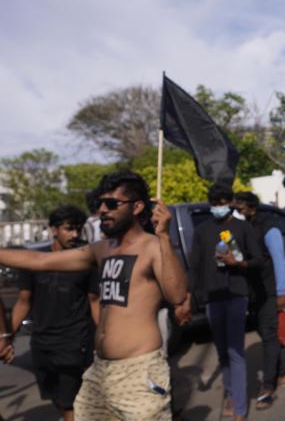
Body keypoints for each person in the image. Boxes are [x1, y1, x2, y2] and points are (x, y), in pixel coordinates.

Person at [0, 171, 188, 420]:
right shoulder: (102, 250)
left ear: (137, 207)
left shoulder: (152, 246)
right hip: (100, 371)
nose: (102, 210)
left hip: (139, 371)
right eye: (99, 203)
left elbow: (176, 295)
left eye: (111, 204)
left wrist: (164, 235)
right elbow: (39, 260)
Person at [8, 206, 100, 421]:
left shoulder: (86, 260)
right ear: (54, 230)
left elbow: (95, 302)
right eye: (69, 229)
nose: (75, 234)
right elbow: (24, 302)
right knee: (55, 397)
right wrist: (7, 337)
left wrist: (103, 340)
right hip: (42, 343)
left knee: (70, 402)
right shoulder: (34, 262)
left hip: (75, 342)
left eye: (78, 229)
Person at [186, 184, 263, 421]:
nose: (218, 207)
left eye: (222, 202)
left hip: (237, 295)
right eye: (214, 203)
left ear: (230, 203)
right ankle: (230, 393)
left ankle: (239, 408)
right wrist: (192, 297)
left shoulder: (243, 228)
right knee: (222, 352)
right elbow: (195, 266)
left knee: (235, 351)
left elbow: (259, 259)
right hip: (213, 297)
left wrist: (238, 264)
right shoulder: (202, 231)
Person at [234, 191, 285, 409]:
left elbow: (279, 259)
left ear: (251, 207)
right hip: (253, 292)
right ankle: (281, 372)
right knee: (263, 331)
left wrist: (281, 292)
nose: (236, 213)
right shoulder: (245, 227)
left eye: (239, 209)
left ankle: (268, 386)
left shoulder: (269, 228)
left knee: (268, 334)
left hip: (269, 291)